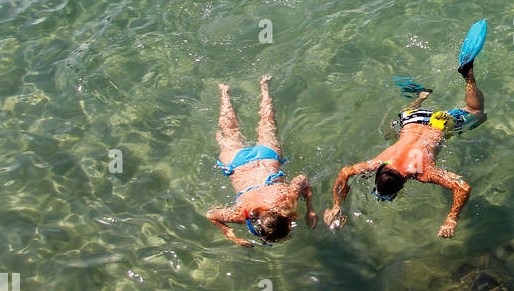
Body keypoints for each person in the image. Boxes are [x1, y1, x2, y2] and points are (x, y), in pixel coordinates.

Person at [324, 61, 485, 238]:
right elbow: (346, 171)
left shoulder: (422, 172)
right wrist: (336, 204)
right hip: (411, 118)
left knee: (477, 111)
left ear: (402, 186)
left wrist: (451, 219)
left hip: (440, 123)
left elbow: (463, 187)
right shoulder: (378, 162)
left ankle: (468, 76)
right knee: (401, 122)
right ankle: (422, 96)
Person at [206, 75, 316, 247]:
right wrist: (231, 234)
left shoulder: (286, 200)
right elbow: (212, 215)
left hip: (267, 157)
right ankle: (226, 91)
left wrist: (310, 209)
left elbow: (302, 179)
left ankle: (261, 87)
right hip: (237, 163)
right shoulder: (244, 215)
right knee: (230, 131)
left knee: (267, 124)